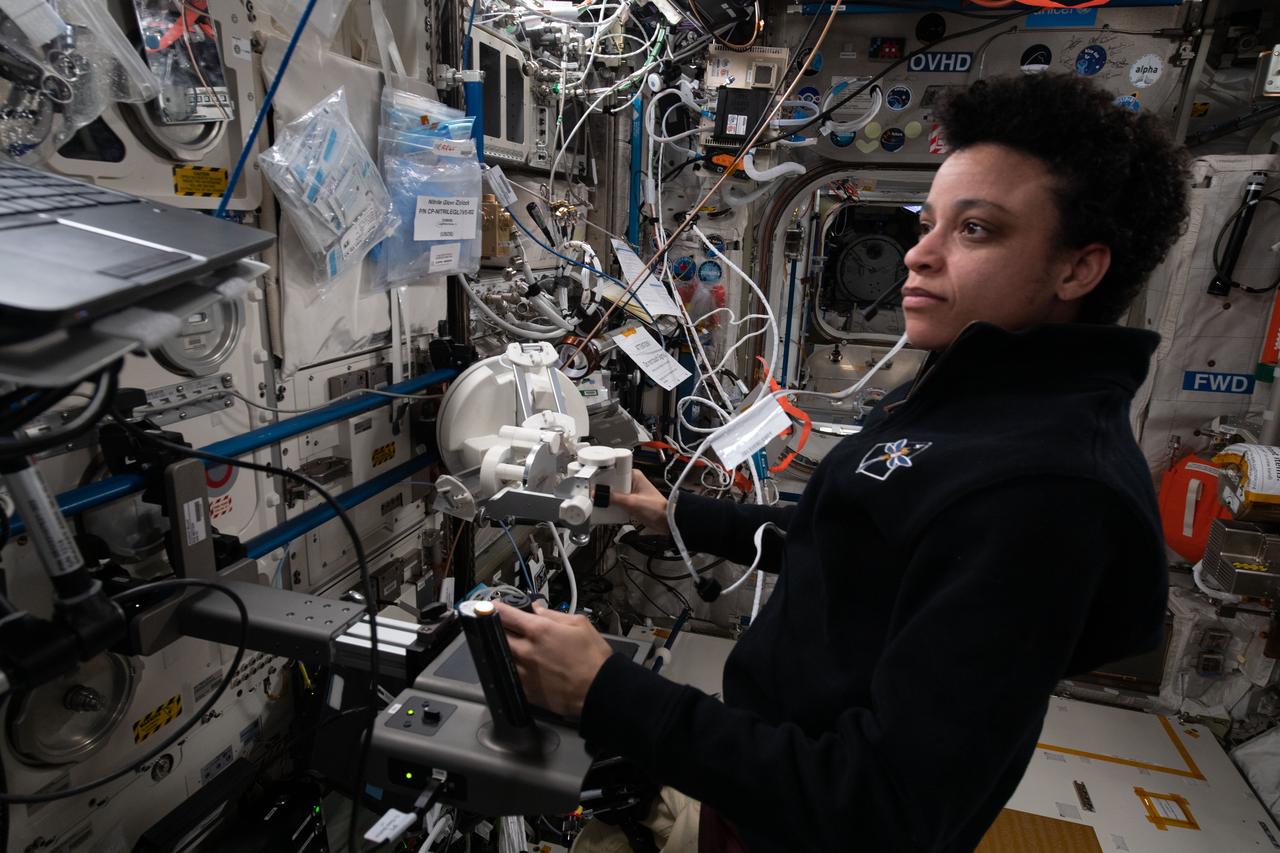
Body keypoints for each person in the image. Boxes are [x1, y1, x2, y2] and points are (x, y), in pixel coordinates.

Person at [496, 72, 1190, 852]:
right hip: (757, 790)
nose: (918, 256)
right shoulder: (977, 399)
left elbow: (876, 807)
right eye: (926, 223)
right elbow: (856, 541)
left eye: (976, 230)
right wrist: (674, 513)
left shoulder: (1046, 492)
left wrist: (608, 691)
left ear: (1077, 269)